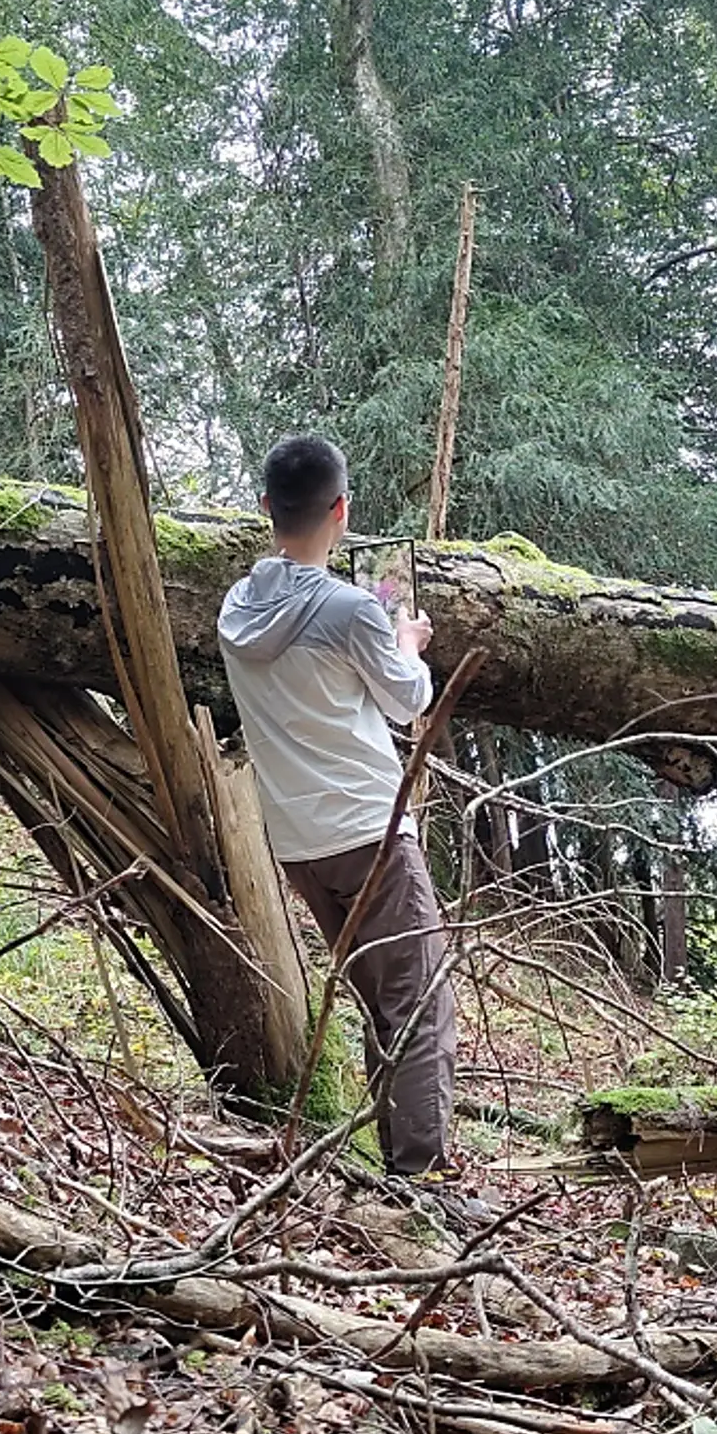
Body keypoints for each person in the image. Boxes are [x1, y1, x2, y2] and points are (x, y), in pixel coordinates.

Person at [217, 435, 461, 1190]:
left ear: (266, 510)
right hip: (370, 831)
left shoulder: (237, 606)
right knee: (421, 1004)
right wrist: (407, 641)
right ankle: (420, 1181)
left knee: (382, 998)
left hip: (297, 842)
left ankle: (398, 1162)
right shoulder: (353, 609)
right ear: (342, 511)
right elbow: (409, 701)